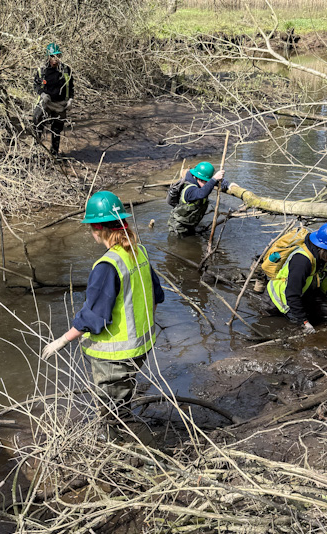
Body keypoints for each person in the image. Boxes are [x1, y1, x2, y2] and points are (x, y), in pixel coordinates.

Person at [41, 191, 164, 421]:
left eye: (91, 228)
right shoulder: (140, 252)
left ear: (98, 230)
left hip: (115, 356)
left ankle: (119, 446)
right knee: (123, 398)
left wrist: (63, 340)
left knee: (112, 414)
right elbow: (156, 295)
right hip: (141, 348)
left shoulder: (107, 266)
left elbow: (94, 317)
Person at [33, 42, 74, 157]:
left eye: (57, 56)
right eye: (52, 56)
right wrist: (42, 94)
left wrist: (71, 99)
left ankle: (54, 152)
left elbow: (71, 86)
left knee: (57, 129)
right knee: (37, 122)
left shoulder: (66, 70)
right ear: (48, 56)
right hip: (46, 102)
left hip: (60, 104)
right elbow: (36, 85)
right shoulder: (42, 70)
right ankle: (35, 151)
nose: (55, 59)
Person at [167, 161, 229, 237]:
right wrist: (214, 179)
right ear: (199, 179)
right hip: (179, 228)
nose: (208, 184)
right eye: (206, 182)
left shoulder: (200, 182)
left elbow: (210, 184)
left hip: (190, 225)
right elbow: (201, 193)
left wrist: (225, 183)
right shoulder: (190, 189)